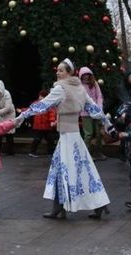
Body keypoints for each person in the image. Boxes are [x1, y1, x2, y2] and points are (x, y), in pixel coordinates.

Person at [19, 59, 112, 220]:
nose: (57, 72)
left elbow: (43, 105)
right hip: (73, 136)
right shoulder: (80, 89)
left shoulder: (61, 88)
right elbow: (94, 109)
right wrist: (107, 122)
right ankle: (91, 205)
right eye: (58, 70)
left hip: (68, 138)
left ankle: (75, 207)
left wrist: (20, 117)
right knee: (79, 171)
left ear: (69, 72)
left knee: (66, 171)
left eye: (61, 70)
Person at [79, 67, 105, 161]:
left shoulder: (95, 84)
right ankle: (87, 154)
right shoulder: (79, 86)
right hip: (85, 113)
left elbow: (99, 96)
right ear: (81, 76)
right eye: (84, 76)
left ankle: (98, 152)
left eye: (87, 75)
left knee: (99, 133)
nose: (86, 77)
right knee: (88, 134)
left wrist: (99, 107)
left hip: (96, 111)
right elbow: (79, 100)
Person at [28, 90, 57, 158]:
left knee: (50, 140)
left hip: (46, 126)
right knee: (37, 139)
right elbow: (29, 110)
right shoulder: (36, 103)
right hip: (38, 126)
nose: (40, 97)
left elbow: (51, 113)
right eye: (40, 96)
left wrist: (52, 121)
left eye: (42, 96)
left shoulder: (49, 104)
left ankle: (50, 152)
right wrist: (23, 110)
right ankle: (33, 152)